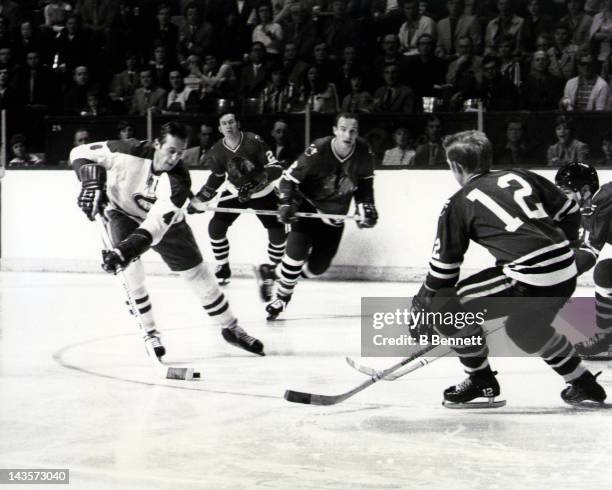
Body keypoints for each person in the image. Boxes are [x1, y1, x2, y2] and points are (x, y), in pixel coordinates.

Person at [411, 130, 605, 407]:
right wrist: (559, 246)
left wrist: (422, 304)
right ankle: (583, 383)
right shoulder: (521, 175)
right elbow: (569, 212)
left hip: (529, 278)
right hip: (565, 271)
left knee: (444, 305)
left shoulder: (457, 203)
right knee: (526, 328)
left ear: (455, 166)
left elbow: (444, 273)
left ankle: (480, 380)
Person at [69, 121, 264, 356]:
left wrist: (124, 251)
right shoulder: (126, 150)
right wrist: (91, 182)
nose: (174, 158)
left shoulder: (179, 180)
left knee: (197, 273)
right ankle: (150, 333)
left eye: (180, 153)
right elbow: (79, 153)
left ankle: (231, 328)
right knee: (131, 273)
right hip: (121, 211)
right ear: (157, 144)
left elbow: (155, 227)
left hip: (162, 223)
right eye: (171, 151)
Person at [260, 113, 378, 319]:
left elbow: (365, 185)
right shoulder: (319, 149)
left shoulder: (364, 152)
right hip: (308, 208)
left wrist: (366, 207)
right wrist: (286, 202)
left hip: (335, 216)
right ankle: (281, 298)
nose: (347, 135)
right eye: (343, 129)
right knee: (295, 257)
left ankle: (272, 273)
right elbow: (288, 179)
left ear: (357, 132)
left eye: (353, 130)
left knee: (317, 268)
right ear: (334, 130)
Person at [187, 112, 286, 286]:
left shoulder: (253, 140)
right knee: (216, 228)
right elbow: (217, 177)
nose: (228, 126)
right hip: (235, 191)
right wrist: (200, 198)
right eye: (224, 123)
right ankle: (223, 267)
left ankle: (272, 269)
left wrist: (255, 184)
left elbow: (275, 168)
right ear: (219, 128)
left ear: (237, 123)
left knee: (277, 232)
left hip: (262, 193)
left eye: (231, 122)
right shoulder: (216, 150)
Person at [555, 162, 612, 357]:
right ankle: (607, 339)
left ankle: (607, 339)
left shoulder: (603, 200)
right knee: (607, 272)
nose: (561, 198)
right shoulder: (592, 206)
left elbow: (587, 256)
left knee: (605, 272)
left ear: (585, 190)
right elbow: (580, 248)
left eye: (565, 191)